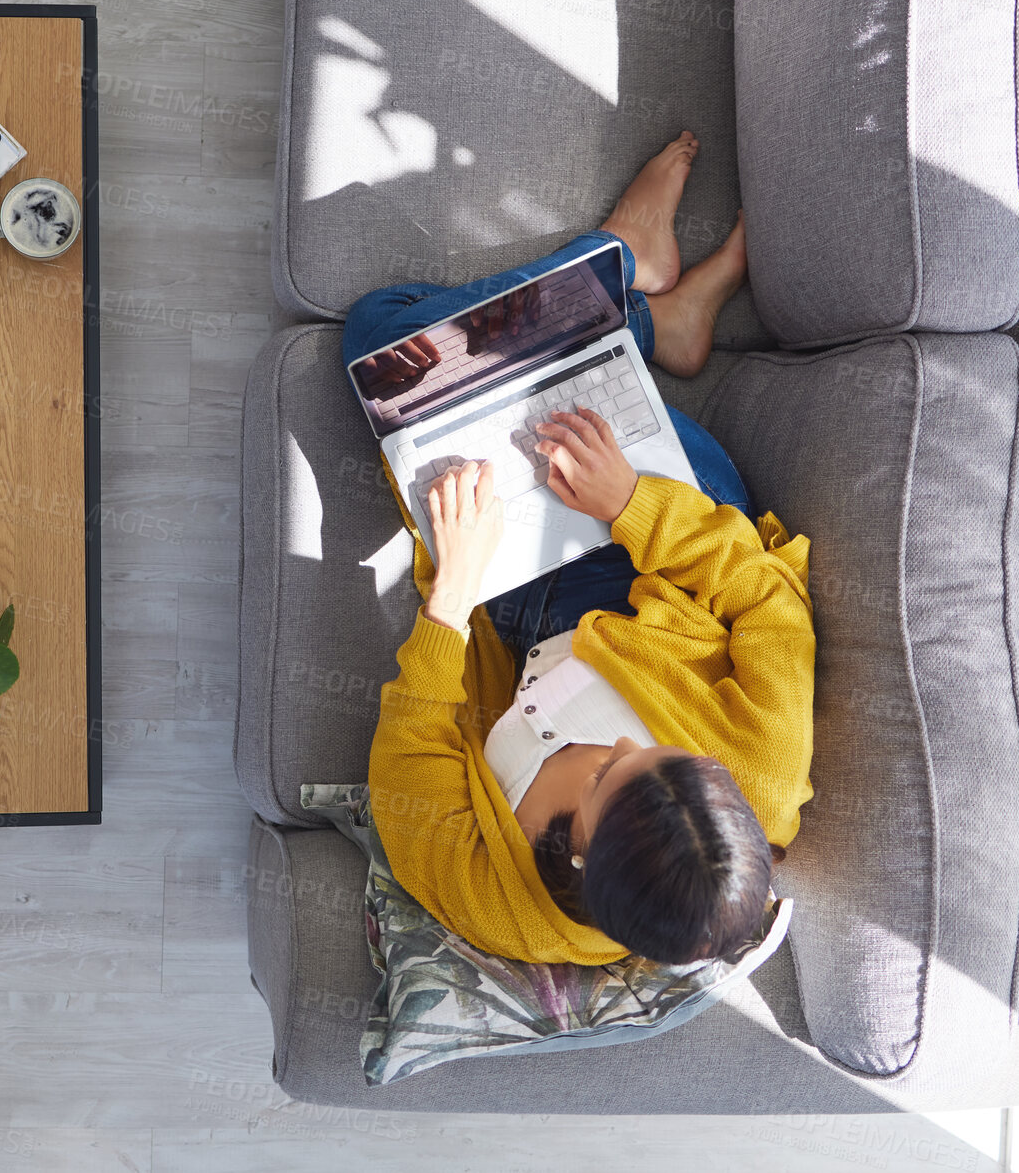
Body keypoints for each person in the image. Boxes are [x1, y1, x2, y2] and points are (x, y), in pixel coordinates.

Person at [342, 134, 816, 967]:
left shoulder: (508, 908)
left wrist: (451, 595)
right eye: (672, 753)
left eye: (607, 777)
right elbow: (766, 598)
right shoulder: (764, 775)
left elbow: (407, 763)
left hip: (509, 598)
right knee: (449, 361)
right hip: (658, 543)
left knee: (383, 344)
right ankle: (629, 280)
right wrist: (629, 501)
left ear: (583, 858)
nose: (630, 743)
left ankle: (641, 299)